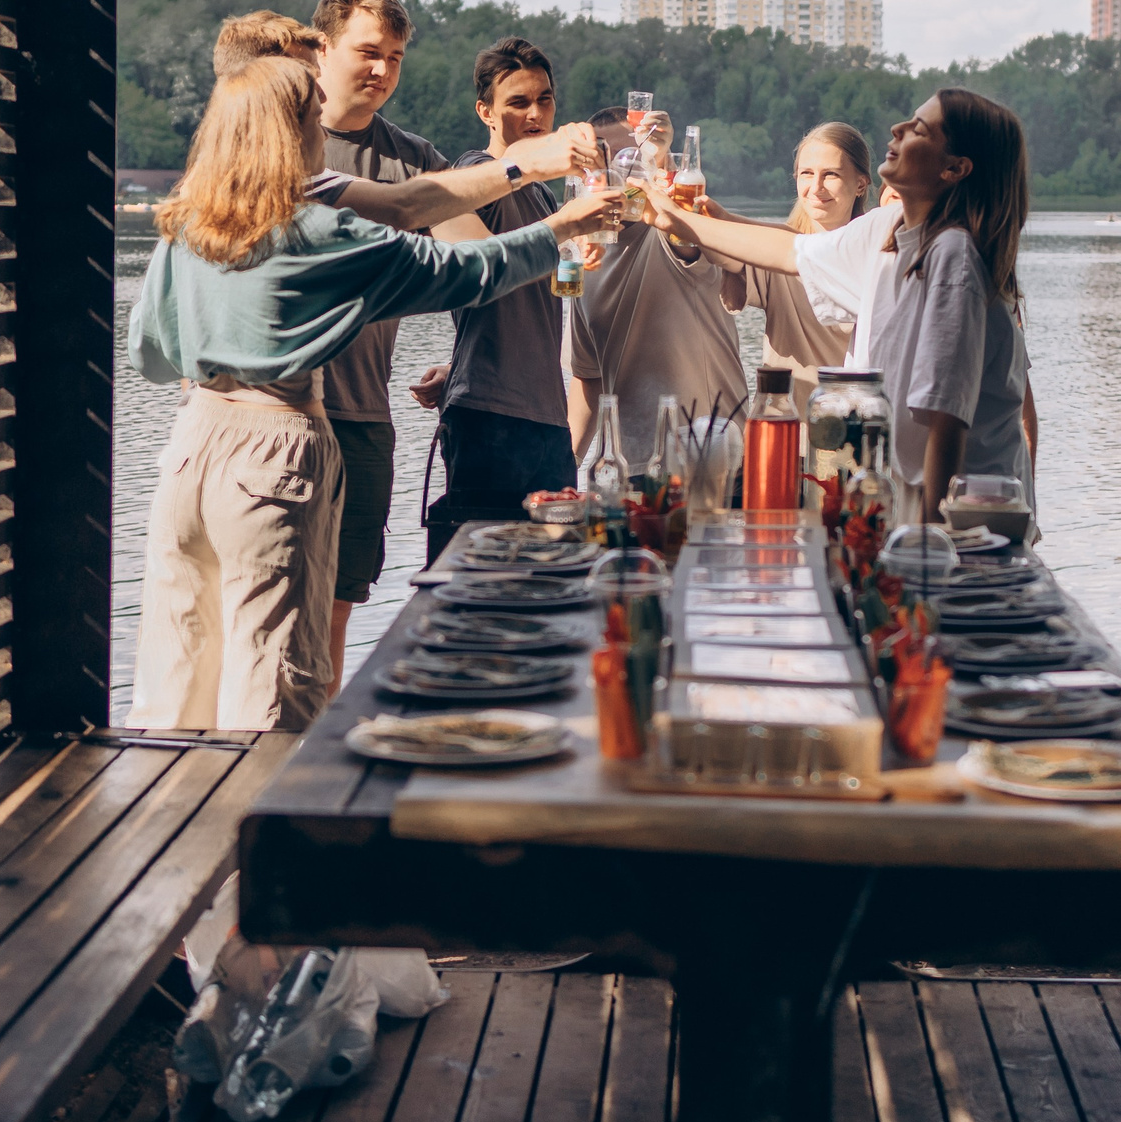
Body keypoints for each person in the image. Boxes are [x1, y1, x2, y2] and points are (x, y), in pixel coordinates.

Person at [126, 56, 615, 730]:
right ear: (291, 134)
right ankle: (271, 800)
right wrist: (565, 226)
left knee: (179, 669)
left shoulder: (186, 224)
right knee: (273, 680)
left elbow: (150, 356)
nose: (323, 133)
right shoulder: (319, 232)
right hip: (273, 451)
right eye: (313, 119)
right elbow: (465, 270)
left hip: (189, 452)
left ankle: (174, 796)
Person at [644, 90, 1033, 522]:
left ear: (955, 168)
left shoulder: (954, 255)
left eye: (919, 129)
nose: (897, 129)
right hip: (908, 492)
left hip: (967, 513)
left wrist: (926, 542)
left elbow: (947, 421)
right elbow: (790, 251)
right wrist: (677, 219)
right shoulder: (890, 228)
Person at [214, 4, 598, 236]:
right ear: (324, 50)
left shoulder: (414, 158)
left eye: (395, 57)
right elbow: (402, 207)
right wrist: (523, 166)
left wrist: (567, 229)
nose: (383, 70)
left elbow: (474, 261)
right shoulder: (251, 179)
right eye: (368, 52)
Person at [421, 38, 590, 561]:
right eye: (518, 103)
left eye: (544, 99)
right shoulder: (475, 176)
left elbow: (532, 301)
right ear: (486, 112)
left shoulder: (542, 193)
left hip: (548, 419)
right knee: (480, 577)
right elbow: (469, 264)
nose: (535, 114)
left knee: (554, 578)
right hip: (489, 418)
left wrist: (577, 253)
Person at [566, 117, 747, 468]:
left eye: (630, 158)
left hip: (714, 464)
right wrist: (564, 467)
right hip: (631, 469)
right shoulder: (584, 254)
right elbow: (588, 376)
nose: (618, 172)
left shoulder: (672, 231)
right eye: (601, 159)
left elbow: (686, 236)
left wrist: (663, 159)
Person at [719, 122, 869, 408]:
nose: (816, 187)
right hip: (785, 425)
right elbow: (725, 256)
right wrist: (697, 218)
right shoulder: (777, 249)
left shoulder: (879, 253)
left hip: (861, 423)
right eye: (806, 173)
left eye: (831, 174)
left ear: (861, 184)